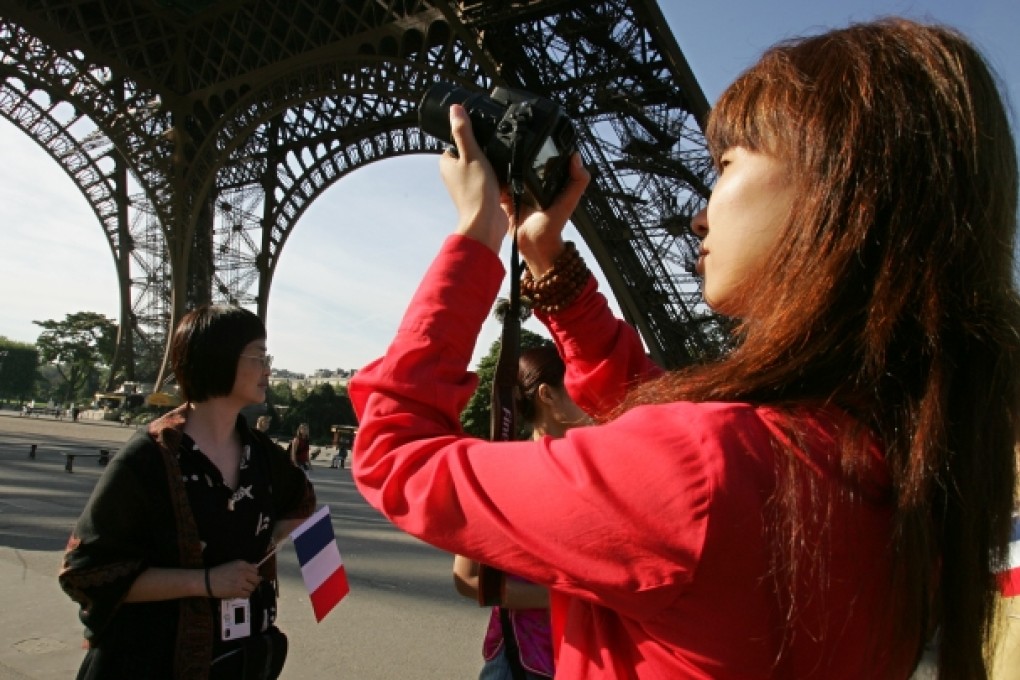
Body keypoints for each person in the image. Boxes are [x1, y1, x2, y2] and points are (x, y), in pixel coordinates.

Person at [348, 18, 1020, 679]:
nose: (700, 212)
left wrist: (475, 237)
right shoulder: (890, 461)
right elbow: (668, 427)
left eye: (725, 164)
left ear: (840, 190)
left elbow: (392, 453)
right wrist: (548, 262)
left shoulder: (703, 475)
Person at [59, 304, 316, 680]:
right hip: (147, 663)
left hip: (237, 660)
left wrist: (266, 545)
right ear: (220, 357)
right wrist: (207, 582)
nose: (268, 368)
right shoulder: (149, 456)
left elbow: (301, 500)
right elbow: (86, 573)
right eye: (259, 355)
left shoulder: (261, 451)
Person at [453, 344, 591, 680]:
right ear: (548, 395)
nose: (596, 397)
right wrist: (570, 599)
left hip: (590, 655)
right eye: (581, 386)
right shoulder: (501, 471)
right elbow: (468, 578)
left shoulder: (599, 469)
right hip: (525, 660)